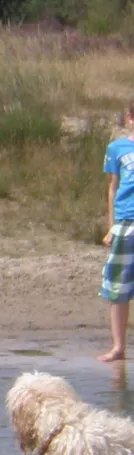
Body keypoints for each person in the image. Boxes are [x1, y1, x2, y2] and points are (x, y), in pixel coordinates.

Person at [99, 99, 134, 361]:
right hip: (125, 222)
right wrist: (111, 227)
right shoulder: (117, 148)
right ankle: (118, 347)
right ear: (129, 118)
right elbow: (113, 187)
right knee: (118, 285)